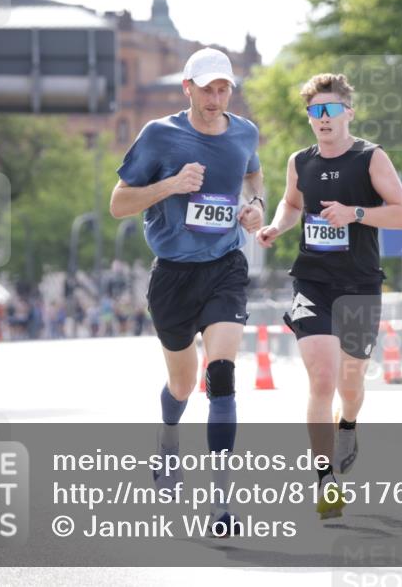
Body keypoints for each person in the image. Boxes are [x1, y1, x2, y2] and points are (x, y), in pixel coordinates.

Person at [110, 47, 264, 535]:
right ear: (188, 88)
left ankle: (221, 504)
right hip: (173, 275)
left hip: (225, 265)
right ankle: (168, 439)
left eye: (224, 89)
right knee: (182, 384)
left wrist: (255, 203)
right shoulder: (159, 135)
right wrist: (171, 185)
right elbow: (118, 204)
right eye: (208, 89)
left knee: (221, 375)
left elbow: (252, 171)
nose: (217, 98)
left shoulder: (244, 132)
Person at [257, 73, 402, 519]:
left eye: (329, 110)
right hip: (313, 282)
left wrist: (355, 214)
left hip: (360, 283)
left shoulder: (370, 158)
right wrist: (275, 225)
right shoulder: (299, 161)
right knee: (322, 378)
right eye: (314, 112)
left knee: (351, 381)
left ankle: (349, 423)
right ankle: (324, 478)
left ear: (348, 112)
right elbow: (291, 204)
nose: (322, 119)